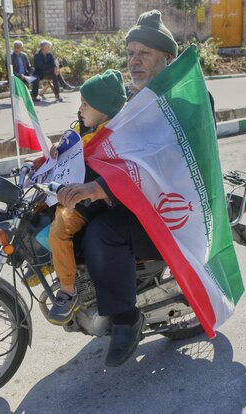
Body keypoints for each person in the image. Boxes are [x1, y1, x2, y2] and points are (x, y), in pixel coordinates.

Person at [55, 9, 184, 367]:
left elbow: (159, 161)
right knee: (69, 222)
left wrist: (97, 189)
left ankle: (127, 317)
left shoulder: (182, 102)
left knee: (100, 234)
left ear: (166, 58)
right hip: (128, 195)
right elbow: (99, 137)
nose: (134, 61)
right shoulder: (130, 100)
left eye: (144, 53)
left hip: (166, 204)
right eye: (130, 53)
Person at [46, 69, 127, 325]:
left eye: (86, 104)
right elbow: (71, 148)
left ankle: (69, 291)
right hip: (72, 191)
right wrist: (58, 148)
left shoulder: (114, 137)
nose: (80, 109)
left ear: (104, 109)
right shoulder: (86, 127)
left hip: (93, 203)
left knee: (59, 230)